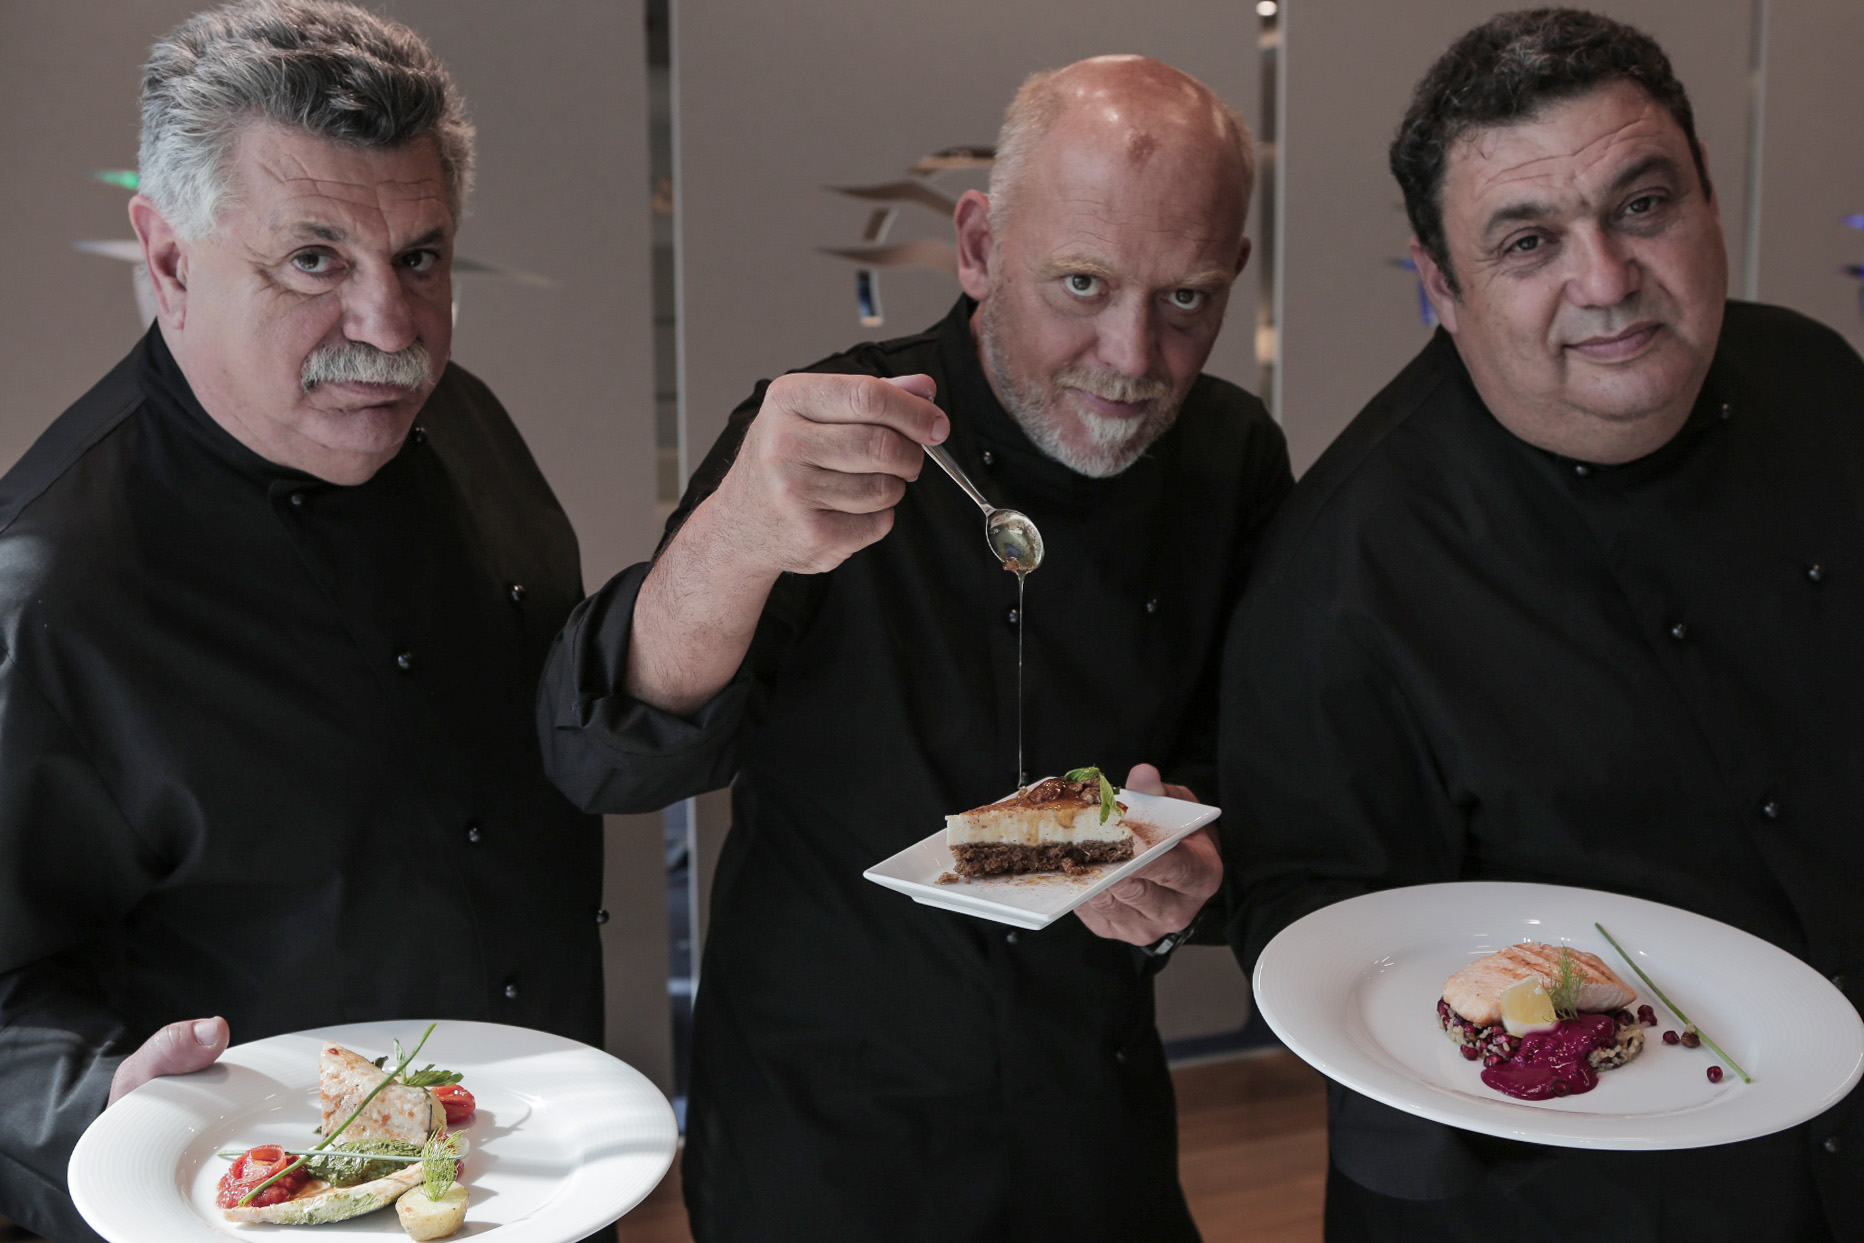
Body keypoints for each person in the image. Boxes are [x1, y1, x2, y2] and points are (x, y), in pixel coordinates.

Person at [540, 55, 1291, 1243]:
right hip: (825, 1122)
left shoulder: (1231, 455)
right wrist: (732, 541)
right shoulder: (821, 433)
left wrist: (1191, 872)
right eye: (1082, 283)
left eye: (1187, 299)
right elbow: (610, 762)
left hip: (1086, 1106)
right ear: (979, 247)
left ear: (1234, 272)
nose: (1132, 356)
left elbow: (1248, 769)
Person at [1220, 9, 1862, 1240]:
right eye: (1528, 242)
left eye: (1642, 205)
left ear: (1707, 195)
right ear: (1440, 286)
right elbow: (1314, 923)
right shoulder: (1341, 575)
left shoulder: (1820, 383)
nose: (1606, 280)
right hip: (1582, 1201)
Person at [0, 5, 608, 1239]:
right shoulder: (53, 588)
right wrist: (99, 1104)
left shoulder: (467, 422)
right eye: (315, 261)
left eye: (421, 259)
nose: (390, 329)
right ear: (170, 261)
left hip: (540, 1181)